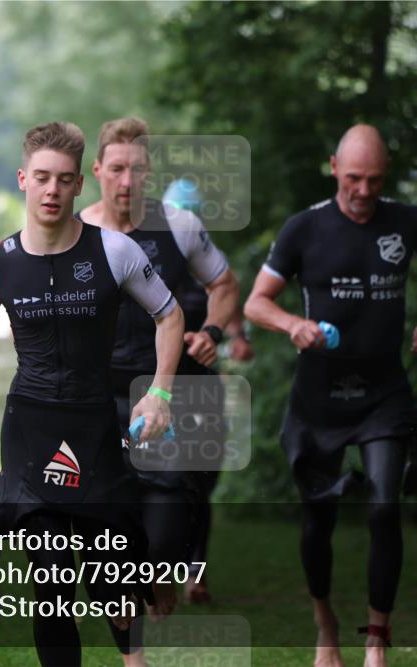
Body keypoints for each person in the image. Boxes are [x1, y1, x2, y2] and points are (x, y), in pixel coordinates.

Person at [0, 122, 184, 667]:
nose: (52, 191)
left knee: (112, 576)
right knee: (52, 590)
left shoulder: (116, 252)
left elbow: (169, 315)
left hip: (95, 430)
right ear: (23, 180)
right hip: (30, 436)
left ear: (80, 185)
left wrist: (161, 393)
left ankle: (134, 652)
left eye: (64, 181)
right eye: (42, 179)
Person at [244, 125, 417, 667]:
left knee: (385, 507)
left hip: (384, 393)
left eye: (375, 180)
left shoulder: (409, 222)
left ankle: (377, 639)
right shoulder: (304, 229)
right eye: (354, 178)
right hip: (319, 398)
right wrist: (292, 324)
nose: (364, 190)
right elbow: (255, 303)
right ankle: (325, 626)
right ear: (334, 166)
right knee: (319, 522)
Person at [76, 119, 239, 641]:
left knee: (168, 528)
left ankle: (156, 575)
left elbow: (225, 283)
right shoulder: (74, 231)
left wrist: (212, 329)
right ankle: (134, 607)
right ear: (98, 170)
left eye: (138, 170)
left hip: (163, 393)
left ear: (150, 173)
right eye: (117, 169)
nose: (127, 180)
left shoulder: (179, 225)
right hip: (98, 398)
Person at [161, 178, 254, 604]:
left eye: (191, 215)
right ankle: (161, 567)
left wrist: (237, 338)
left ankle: (196, 571)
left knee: (203, 480)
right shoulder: (152, 263)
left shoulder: (210, 264)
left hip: (203, 384)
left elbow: (230, 304)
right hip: (161, 384)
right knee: (166, 480)